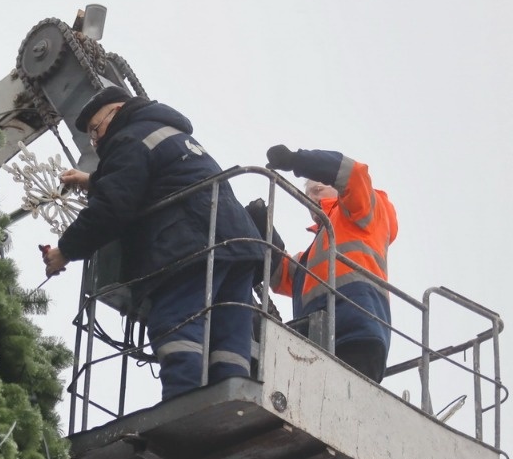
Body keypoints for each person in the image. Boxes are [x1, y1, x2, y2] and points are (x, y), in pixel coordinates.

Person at [41, 86, 264, 400]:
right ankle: (231, 403)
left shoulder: (128, 137)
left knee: (177, 326)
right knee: (227, 339)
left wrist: (65, 251)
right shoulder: (165, 131)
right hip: (239, 244)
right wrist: (91, 180)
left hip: (190, 245)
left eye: (96, 129)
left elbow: (112, 207)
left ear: (116, 112)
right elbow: (157, 174)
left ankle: (183, 410)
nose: (96, 140)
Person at [261, 145, 398, 382]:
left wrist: (297, 161)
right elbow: (283, 276)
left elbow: (353, 174)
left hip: (355, 332)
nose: (310, 198)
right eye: (308, 194)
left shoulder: (364, 209)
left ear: (336, 188)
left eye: (318, 189)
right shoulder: (320, 245)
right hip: (319, 338)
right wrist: (262, 231)